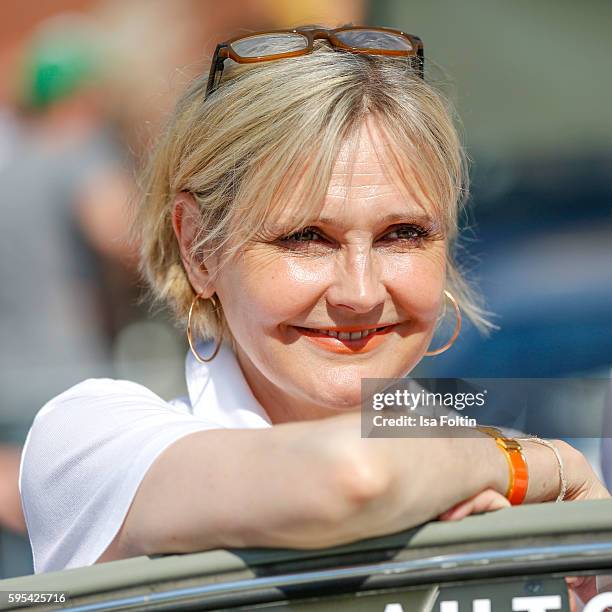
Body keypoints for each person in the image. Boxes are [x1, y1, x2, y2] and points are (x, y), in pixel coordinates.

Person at [19, 25, 609, 575]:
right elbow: (351, 476)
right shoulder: (90, 438)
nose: (360, 292)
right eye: (305, 238)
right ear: (199, 248)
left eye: (403, 234)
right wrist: (537, 466)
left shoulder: (480, 462)